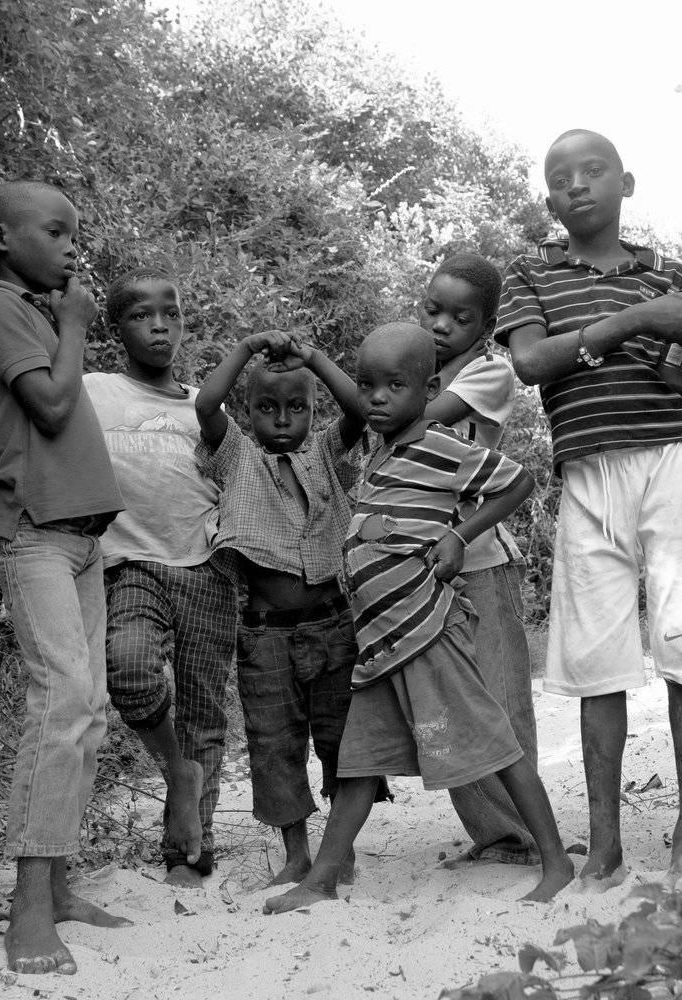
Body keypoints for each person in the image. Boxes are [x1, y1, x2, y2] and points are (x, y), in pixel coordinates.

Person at [496, 129, 682, 883]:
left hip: (671, 460)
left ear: (626, 183)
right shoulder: (529, 275)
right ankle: (603, 846)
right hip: (587, 474)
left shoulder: (668, 277)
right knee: (596, 659)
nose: (577, 184)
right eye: (561, 178)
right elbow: (532, 362)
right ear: (550, 202)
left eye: (594, 170)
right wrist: (640, 320)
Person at [263, 323, 575, 914]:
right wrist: (316, 358)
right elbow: (365, 403)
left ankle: (556, 862)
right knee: (359, 764)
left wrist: (460, 535)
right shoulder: (383, 446)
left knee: (495, 746)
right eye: (368, 386)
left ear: (428, 390)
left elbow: (518, 482)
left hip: (428, 631)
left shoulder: (439, 444)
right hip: (382, 642)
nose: (376, 398)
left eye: (394, 386)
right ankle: (323, 878)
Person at [0, 180, 130, 975]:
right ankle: (27, 913)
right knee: (61, 702)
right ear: (1, 238)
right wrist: (76, 324)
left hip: (80, 539)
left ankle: (57, 889)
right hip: (32, 535)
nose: (70, 246)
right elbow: (53, 406)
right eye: (55, 231)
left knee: (87, 712)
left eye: (73, 233)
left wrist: (63, 322)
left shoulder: (33, 311)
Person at [194, 329, 383, 886]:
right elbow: (205, 405)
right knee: (274, 746)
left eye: (297, 407)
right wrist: (246, 348)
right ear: (248, 411)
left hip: (333, 628)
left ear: (313, 411)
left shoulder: (326, 453)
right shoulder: (236, 457)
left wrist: (314, 358)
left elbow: (360, 409)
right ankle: (297, 855)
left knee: (342, 739)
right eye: (267, 407)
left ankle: (338, 850)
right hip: (265, 637)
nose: (282, 419)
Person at [83, 266, 236, 886]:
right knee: (129, 669)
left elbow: (237, 478)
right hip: (129, 564)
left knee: (204, 708)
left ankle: (189, 853)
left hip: (206, 567)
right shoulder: (93, 391)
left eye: (171, 313)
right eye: (142, 315)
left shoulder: (205, 404)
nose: (160, 326)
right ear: (116, 328)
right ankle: (178, 770)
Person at [417, 253, 540, 869]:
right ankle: (498, 836)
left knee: (501, 699)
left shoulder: (489, 372)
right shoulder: (414, 373)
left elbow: (414, 422)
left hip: (481, 560)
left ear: (486, 327)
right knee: (449, 703)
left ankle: (527, 830)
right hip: (422, 565)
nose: (442, 326)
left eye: (460, 318)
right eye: (432, 311)